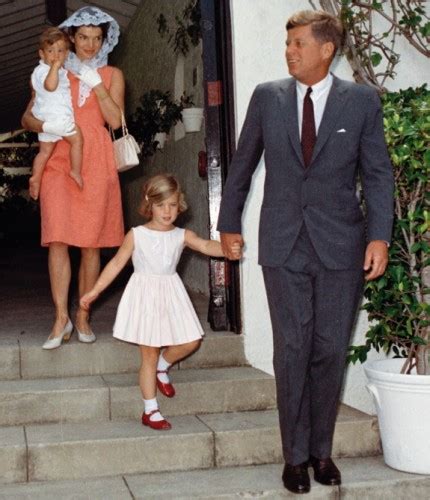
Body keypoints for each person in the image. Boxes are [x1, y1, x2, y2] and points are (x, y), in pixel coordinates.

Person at [217, 10, 394, 495]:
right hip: (284, 243)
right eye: (287, 42)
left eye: (298, 43)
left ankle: (321, 452)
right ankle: (294, 458)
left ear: (325, 49)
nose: (289, 50)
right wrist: (228, 223)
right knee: (292, 350)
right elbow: (242, 165)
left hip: (342, 247)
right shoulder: (268, 98)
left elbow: (377, 173)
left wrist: (379, 235)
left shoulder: (360, 102)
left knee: (329, 350)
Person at [80, 174, 240, 430]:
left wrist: (227, 249)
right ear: (149, 205)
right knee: (149, 354)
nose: (167, 211)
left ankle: (164, 367)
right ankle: (150, 410)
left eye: (172, 205)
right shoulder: (137, 235)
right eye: (161, 205)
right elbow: (116, 264)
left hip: (171, 292)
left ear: (180, 205)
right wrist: (94, 291)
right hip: (144, 295)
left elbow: (206, 245)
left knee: (191, 340)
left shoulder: (181, 234)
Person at [21, 7, 125, 350]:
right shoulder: (52, 68)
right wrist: (46, 126)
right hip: (58, 157)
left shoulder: (112, 74)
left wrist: (98, 86)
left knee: (91, 244)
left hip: (95, 159)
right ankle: (59, 318)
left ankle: (82, 314)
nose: (90, 46)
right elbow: (27, 118)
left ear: (105, 40)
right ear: (71, 38)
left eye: (97, 38)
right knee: (58, 238)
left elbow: (115, 122)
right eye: (83, 37)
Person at [29, 27, 83, 200]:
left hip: (45, 120)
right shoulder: (45, 71)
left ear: (67, 53)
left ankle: (36, 177)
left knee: (44, 152)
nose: (56, 55)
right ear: (41, 54)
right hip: (58, 120)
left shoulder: (42, 71)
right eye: (50, 51)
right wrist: (56, 67)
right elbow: (50, 86)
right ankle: (75, 171)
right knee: (77, 140)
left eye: (60, 51)